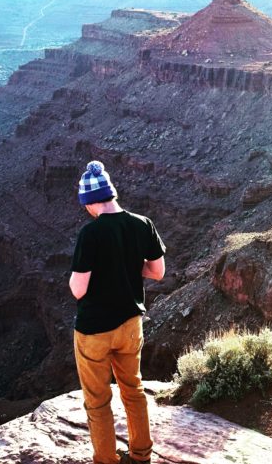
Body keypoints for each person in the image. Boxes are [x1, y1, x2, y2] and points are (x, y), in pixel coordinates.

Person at [69, 160, 166, 464]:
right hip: (130, 324)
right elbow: (157, 272)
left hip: (94, 331)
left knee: (97, 402)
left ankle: (106, 460)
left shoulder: (91, 234)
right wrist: (124, 266)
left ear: (89, 203)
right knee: (133, 390)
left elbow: (78, 289)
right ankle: (140, 455)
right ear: (112, 195)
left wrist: (102, 269)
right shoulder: (142, 223)